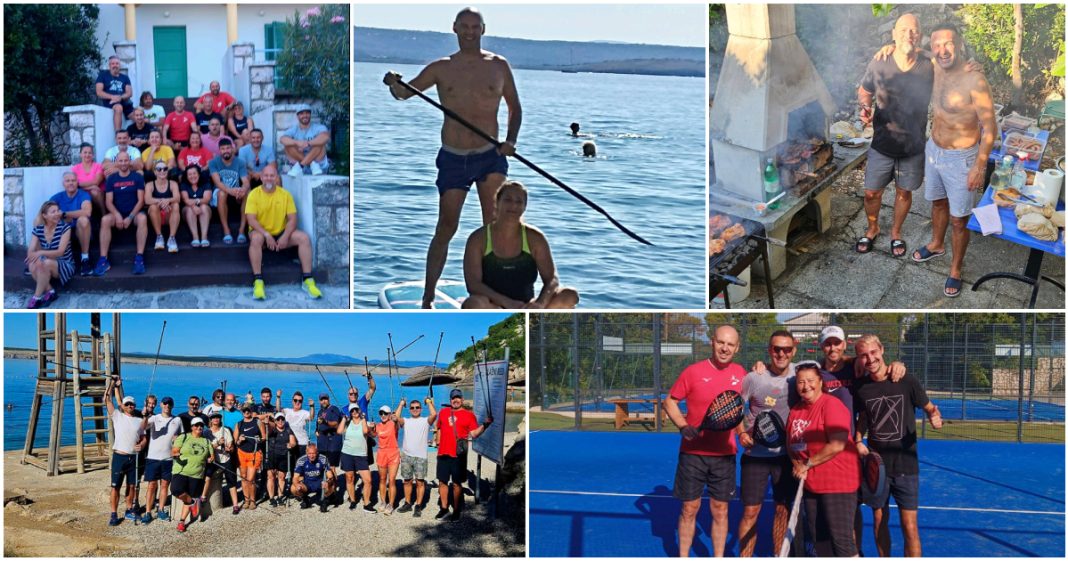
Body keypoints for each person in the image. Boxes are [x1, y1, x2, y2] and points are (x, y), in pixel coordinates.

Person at [384, 7, 522, 309]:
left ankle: (492, 295)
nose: (470, 32)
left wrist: (510, 141)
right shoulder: (440, 68)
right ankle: (428, 297)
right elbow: (404, 94)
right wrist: (393, 82)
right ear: (455, 28)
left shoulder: (499, 66)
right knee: (447, 226)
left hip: (490, 156)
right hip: (454, 158)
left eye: (475, 26)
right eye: (464, 26)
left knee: (494, 224)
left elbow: (515, 107)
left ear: (483, 29)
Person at [913, 24, 997, 297]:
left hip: (962, 158)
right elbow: (915, 50)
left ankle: (956, 269)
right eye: (937, 45)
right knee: (937, 202)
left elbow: (990, 128)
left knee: (959, 219)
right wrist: (891, 47)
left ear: (959, 45)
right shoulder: (934, 64)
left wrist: (979, 167)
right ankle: (937, 244)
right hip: (934, 150)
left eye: (948, 44)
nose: (943, 50)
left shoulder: (975, 80)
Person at [853, 335, 943, 557]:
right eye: (863, 355)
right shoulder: (861, 388)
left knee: (909, 525)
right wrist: (858, 440)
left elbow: (929, 407)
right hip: (877, 469)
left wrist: (934, 415)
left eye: (873, 352)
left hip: (906, 467)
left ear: (882, 350)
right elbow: (863, 418)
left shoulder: (906, 381)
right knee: (879, 520)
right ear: (858, 359)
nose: (870, 359)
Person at [663, 325, 745, 557]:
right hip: (693, 454)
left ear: (737, 348)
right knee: (689, 509)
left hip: (725, 455)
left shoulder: (742, 374)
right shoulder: (693, 372)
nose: (725, 348)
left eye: (730, 344)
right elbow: (669, 401)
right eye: (721, 342)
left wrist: (761, 366)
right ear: (712, 342)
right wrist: (683, 425)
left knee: (720, 510)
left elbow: (737, 410)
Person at [856, 14, 931, 257]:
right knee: (871, 192)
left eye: (914, 30)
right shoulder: (880, 61)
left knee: (904, 192)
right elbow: (865, 90)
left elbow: (952, 68)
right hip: (882, 143)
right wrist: (865, 106)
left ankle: (896, 232)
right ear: (894, 34)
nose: (909, 34)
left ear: (920, 35)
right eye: (903, 30)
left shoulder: (929, 66)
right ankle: (872, 228)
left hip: (912, 146)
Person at [462, 181, 577, 309]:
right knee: (473, 303)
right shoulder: (478, 238)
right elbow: (473, 285)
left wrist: (540, 303)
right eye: (508, 200)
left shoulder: (535, 238)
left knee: (569, 295)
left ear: (524, 207)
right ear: (497, 202)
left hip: (526, 307)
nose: (513, 205)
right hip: (494, 306)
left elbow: (551, 279)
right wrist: (506, 302)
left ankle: (538, 320)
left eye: (519, 201)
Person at [786, 361, 861, 557]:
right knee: (819, 540)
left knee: (842, 542)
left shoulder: (831, 405)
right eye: (801, 382)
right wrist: (797, 464)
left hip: (838, 484)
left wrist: (807, 464)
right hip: (811, 485)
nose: (806, 386)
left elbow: (837, 444)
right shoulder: (796, 410)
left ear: (820, 382)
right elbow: (791, 445)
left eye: (810, 380)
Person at [736, 330, 798, 557]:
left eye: (787, 349)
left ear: (794, 351)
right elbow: (736, 407)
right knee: (751, 512)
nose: (781, 354)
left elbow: (837, 364)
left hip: (786, 457)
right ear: (769, 350)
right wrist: (741, 432)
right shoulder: (754, 378)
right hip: (755, 457)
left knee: (782, 510)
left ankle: (778, 556)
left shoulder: (800, 374)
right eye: (776, 349)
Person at [245, 164, 322, 299]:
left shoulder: (285, 195)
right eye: (266, 176)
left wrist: (285, 236)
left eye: (272, 176)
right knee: (256, 239)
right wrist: (266, 235)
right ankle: (258, 281)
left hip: (280, 231)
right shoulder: (253, 194)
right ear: (261, 178)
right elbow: (251, 220)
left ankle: (308, 279)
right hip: (261, 232)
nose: (269, 178)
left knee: (304, 238)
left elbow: (293, 219)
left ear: (276, 178)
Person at [435, 388, 492, 521]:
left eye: (458, 398)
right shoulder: (443, 412)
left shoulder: (469, 415)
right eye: (453, 398)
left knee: (456, 483)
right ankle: (444, 508)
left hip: (458, 455)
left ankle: (456, 510)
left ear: (462, 400)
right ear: (450, 400)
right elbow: (439, 427)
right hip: (443, 453)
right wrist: (437, 442)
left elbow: (474, 434)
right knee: (442, 482)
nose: (455, 400)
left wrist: (485, 425)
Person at [93, 151, 148, 276]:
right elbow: (108, 202)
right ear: (116, 162)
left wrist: (130, 217)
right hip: (117, 212)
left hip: (133, 213)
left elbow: (141, 201)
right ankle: (103, 259)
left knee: (143, 219)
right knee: (105, 220)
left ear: (129, 162)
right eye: (121, 161)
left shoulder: (137, 177)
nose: (123, 163)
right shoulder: (111, 179)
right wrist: (117, 215)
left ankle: (139, 258)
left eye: (126, 160)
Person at [105, 379, 146, 526]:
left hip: (133, 458)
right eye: (127, 404)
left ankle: (129, 509)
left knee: (132, 486)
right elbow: (107, 400)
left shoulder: (139, 421)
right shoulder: (117, 415)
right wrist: (112, 384)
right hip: (119, 457)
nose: (130, 406)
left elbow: (144, 437)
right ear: (123, 406)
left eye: (132, 404)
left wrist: (142, 445)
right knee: (115, 487)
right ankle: (114, 514)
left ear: (134, 406)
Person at [142, 396, 183, 524]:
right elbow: (143, 427)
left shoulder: (177, 420)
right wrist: (145, 416)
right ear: (161, 405)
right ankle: (148, 512)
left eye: (169, 403)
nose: (167, 406)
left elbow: (181, 436)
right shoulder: (155, 418)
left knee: (165, 485)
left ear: (172, 405)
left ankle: (161, 510)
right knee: (151, 485)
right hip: (153, 458)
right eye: (165, 403)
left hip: (168, 458)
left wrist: (177, 440)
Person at [25, 201, 74, 308]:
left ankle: (36, 297)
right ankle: (51, 292)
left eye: (58, 211)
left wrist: (40, 253)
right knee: (32, 264)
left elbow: (60, 252)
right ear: (44, 215)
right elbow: (31, 250)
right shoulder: (38, 229)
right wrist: (36, 258)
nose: (57, 214)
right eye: (53, 212)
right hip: (45, 261)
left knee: (44, 263)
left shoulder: (65, 228)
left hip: (64, 263)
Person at [170, 416, 213, 533]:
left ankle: (182, 522)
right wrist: (176, 453)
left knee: (189, 497)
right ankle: (193, 503)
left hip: (197, 474)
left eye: (201, 425)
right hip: (181, 471)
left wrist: (210, 459)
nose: (199, 427)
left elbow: (211, 456)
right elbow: (174, 450)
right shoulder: (184, 437)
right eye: (196, 425)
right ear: (192, 427)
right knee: (175, 490)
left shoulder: (206, 441)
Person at [396, 397, 437, 516]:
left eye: (417, 407)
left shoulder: (425, 421)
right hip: (406, 455)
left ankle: (418, 505)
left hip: (420, 456)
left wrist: (428, 402)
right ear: (409, 409)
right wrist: (401, 404)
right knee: (407, 481)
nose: (415, 409)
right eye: (412, 408)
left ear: (421, 409)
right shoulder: (406, 421)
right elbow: (396, 417)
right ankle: (408, 503)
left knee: (420, 482)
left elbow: (434, 414)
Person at [46, 172, 92, 274]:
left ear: (77, 182)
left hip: (80, 232)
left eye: (73, 180)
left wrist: (64, 214)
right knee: (39, 220)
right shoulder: (57, 197)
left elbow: (87, 212)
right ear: (63, 183)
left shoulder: (83, 195)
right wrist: (69, 216)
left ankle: (85, 259)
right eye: (68, 181)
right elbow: (47, 214)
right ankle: (37, 257)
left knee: (83, 220)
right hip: (62, 232)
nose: (71, 183)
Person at [210, 138, 251, 245]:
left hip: (236, 191)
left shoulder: (240, 162)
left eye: (228, 148)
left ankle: (242, 230)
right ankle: (226, 230)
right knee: (222, 193)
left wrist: (243, 189)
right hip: (221, 191)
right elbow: (217, 182)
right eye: (223, 149)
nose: (226, 151)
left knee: (248, 193)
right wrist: (230, 191)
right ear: (219, 150)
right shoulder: (213, 162)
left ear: (232, 149)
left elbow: (245, 181)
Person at [337, 406, 375, 513]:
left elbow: (365, 431)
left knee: (367, 480)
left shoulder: (365, 422)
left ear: (360, 411)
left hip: (361, 455)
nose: (354, 412)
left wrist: (364, 419)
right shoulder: (348, 423)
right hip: (347, 454)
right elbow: (339, 431)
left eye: (356, 410)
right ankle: (353, 500)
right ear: (350, 413)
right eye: (352, 411)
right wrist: (344, 418)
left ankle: (366, 504)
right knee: (350, 478)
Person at [203, 411, 242, 515]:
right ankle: (203, 497)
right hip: (214, 461)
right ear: (211, 420)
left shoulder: (225, 430)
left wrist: (230, 448)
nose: (216, 419)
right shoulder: (206, 433)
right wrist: (217, 444)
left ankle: (235, 505)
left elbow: (231, 445)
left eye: (218, 417)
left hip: (226, 459)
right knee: (207, 477)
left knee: (231, 482)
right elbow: (205, 448)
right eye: (214, 417)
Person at [279, 104, 330, 176]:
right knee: (288, 146)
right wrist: (297, 143)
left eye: (307, 113)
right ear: (297, 116)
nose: (305, 115)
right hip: (303, 168)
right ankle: (311, 163)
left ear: (310, 115)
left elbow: (325, 137)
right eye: (301, 113)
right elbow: (282, 139)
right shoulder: (294, 129)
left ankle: (301, 165)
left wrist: (308, 143)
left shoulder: (318, 127)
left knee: (320, 144)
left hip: (318, 167)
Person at [145, 160, 181, 254]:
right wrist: (162, 201)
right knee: (153, 207)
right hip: (156, 216)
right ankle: (159, 236)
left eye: (165, 169)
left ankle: (172, 238)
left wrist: (168, 200)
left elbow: (177, 198)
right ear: (155, 172)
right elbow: (147, 200)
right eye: (159, 169)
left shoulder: (173, 183)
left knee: (176, 205)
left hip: (169, 215)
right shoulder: (150, 185)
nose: (162, 171)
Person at [314, 392, 344, 503]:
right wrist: (316, 431)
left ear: (329, 399)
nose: (324, 401)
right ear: (319, 401)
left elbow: (336, 423)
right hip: (322, 443)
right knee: (323, 468)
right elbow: (318, 425)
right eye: (322, 399)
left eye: (325, 399)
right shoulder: (320, 411)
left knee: (332, 468)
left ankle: (334, 492)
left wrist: (325, 422)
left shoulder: (334, 409)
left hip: (333, 442)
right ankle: (327, 491)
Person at [235, 404, 265, 510]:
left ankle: (253, 500)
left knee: (251, 479)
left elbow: (264, 437)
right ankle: (246, 500)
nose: (246, 412)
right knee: (243, 477)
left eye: (248, 410)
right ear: (242, 412)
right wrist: (239, 440)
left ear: (251, 411)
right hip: (242, 453)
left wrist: (259, 439)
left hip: (254, 453)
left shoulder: (257, 422)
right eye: (244, 410)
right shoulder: (239, 424)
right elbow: (236, 442)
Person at [292, 443, 337, 513]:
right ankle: (305, 499)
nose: (311, 456)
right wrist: (297, 485)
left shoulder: (323, 459)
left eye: (313, 453)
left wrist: (327, 482)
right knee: (293, 488)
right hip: (307, 484)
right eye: (309, 453)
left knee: (331, 485)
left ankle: (326, 500)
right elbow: (295, 477)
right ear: (306, 452)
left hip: (320, 483)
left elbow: (330, 476)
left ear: (317, 453)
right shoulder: (301, 460)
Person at [279, 390, 314, 478]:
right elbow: (278, 409)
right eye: (295, 400)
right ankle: (291, 482)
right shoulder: (287, 411)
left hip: (302, 443)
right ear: (292, 401)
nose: (297, 402)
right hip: (290, 443)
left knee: (301, 466)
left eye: (300, 401)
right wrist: (278, 397)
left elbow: (311, 417)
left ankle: (300, 483)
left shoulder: (304, 413)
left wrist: (312, 406)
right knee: (290, 465)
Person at [96, 55, 134, 132]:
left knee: (138, 115)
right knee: (118, 108)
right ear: (109, 65)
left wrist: (120, 97)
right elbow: (99, 92)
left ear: (119, 65)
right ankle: (118, 133)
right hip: (110, 102)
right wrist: (112, 97)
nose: (115, 65)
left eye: (117, 63)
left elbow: (129, 93)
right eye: (113, 64)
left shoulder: (125, 77)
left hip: (124, 102)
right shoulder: (102, 76)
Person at [375, 405, 402, 514]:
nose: (383, 415)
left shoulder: (393, 424)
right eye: (381, 413)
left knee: (391, 480)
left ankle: (391, 504)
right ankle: (383, 501)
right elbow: (372, 434)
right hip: (381, 454)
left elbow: (397, 421)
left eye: (385, 413)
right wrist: (370, 427)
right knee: (382, 479)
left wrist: (396, 417)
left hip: (393, 453)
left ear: (390, 414)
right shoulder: (378, 426)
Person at [265, 412, 296, 507]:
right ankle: (271, 497)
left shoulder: (288, 430)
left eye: (282, 419)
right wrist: (267, 422)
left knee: (281, 477)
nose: (280, 421)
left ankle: (280, 496)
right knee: (271, 477)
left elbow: (293, 442)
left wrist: (291, 445)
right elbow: (266, 431)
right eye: (278, 419)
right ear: (275, 421)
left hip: (283, 456)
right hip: (272, 456)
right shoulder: (272, 429)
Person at [180, 164, 213, 248]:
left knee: (204, 207)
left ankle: (204, 237)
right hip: (188, 210)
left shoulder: (206, 183)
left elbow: (206, 199)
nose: (192, 176)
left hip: (204, 210)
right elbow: (185, 200)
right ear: (186, 176)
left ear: (199, 174)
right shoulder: (184, 185)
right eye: (189, 174)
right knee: (190, 209)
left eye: (194, 173)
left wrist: (196, 201)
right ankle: (195, 237)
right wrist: (193, 206)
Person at [71, 143, 106, 213]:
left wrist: (80, 184)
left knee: (94, 192)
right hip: (82, 193)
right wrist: (90, 187)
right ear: (80, 154)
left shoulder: (98, 166)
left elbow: (96, 182)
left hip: (98, 194)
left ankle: (103, 213)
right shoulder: (75, 168)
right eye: (85, 152)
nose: (87, 155)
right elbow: (74, 184)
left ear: (93, 155)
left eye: (90, 153)